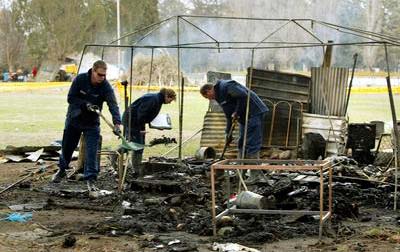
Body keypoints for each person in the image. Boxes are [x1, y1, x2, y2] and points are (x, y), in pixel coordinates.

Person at [52, 60, 122, 198]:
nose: (102, 78)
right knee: (67, 146)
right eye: (100, 75)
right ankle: (61, 170)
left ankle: (91, 180)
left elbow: (113, 105)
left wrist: (117, 123)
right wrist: (85, 105)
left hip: (92, 123)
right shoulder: (80, 79)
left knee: (92, 151)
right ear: (93, 71)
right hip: (74, 119)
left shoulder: (106, 87)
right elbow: (70, 98)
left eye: (104, 75)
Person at [200, 80, 269, 182]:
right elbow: (229, 116)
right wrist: (228, 134)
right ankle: (240, 172)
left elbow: (243, 96)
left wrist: (237, 112)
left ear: (209, 90)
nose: (209, 99)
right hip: (243, 117)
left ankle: (256, 175)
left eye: (207, 97)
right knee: (241, 144)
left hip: (254, 113)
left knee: (251, 144)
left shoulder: (226, 86)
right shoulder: (219, 97)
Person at [121, 88, 176, 177]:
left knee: (138, 145)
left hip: (136, 122)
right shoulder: (154, 99)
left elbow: (148, 114)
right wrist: (141, 128)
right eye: (171, 100)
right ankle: (136, 171)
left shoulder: (157, 100)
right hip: (133, 122)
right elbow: (141, 114)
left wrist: (157, 126)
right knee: (137, 146)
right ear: (167, 96)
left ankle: (135, 168)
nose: (170, 102)